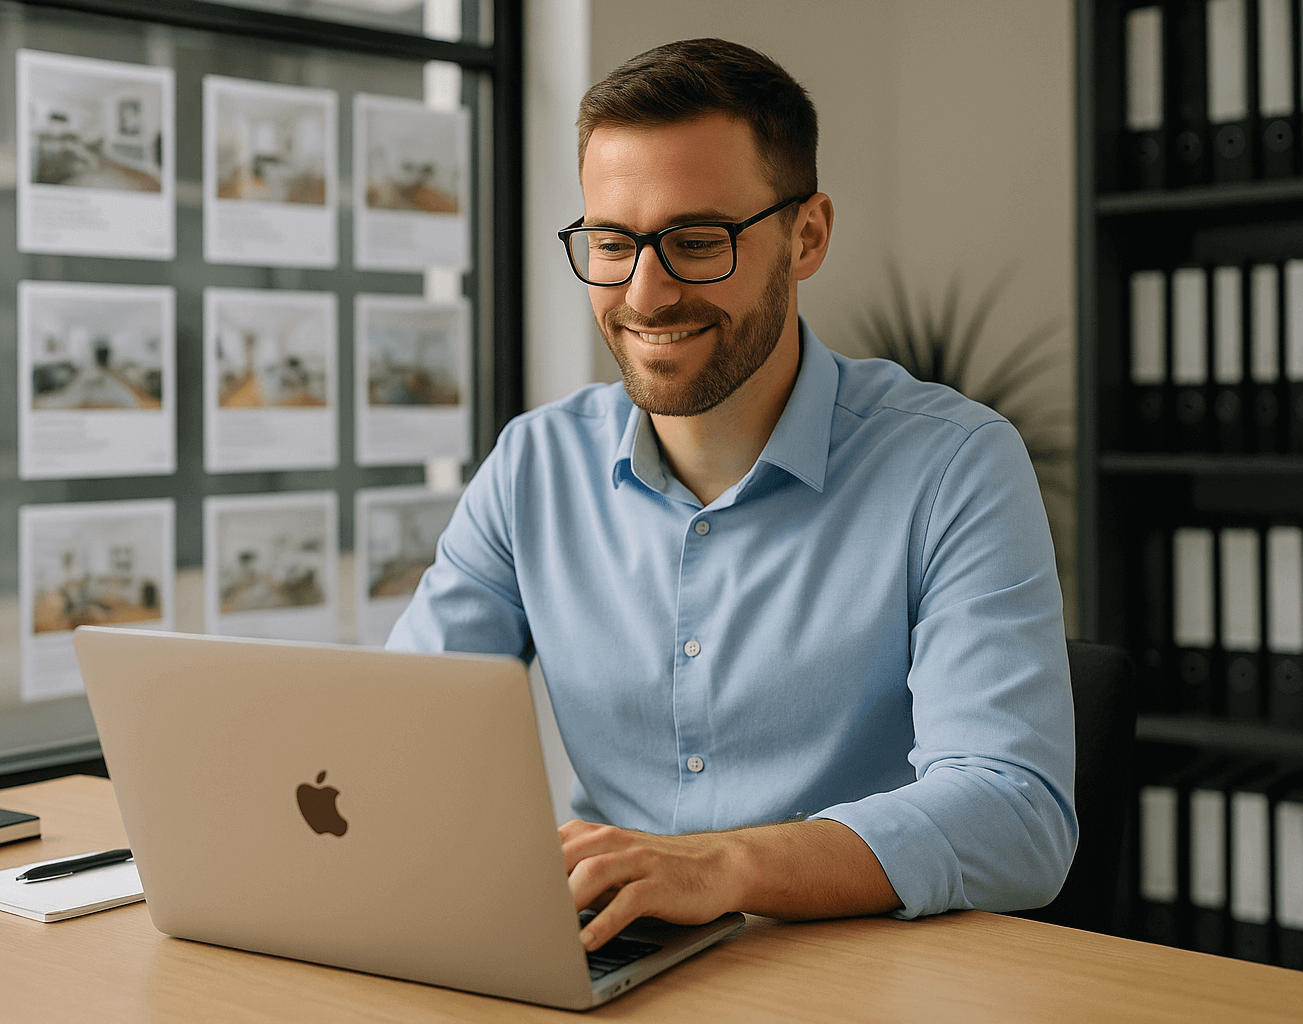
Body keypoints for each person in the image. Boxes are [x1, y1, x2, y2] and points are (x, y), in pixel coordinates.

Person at [387, 37, 1076, 952]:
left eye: (697, 242)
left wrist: (722, 867)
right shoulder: (533, 465)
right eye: (611, 243)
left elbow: (1015, 813)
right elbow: (397, 737)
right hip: (609, 953)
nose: (647, 292)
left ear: (808, 237)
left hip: (855, 969)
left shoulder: (955, 466)